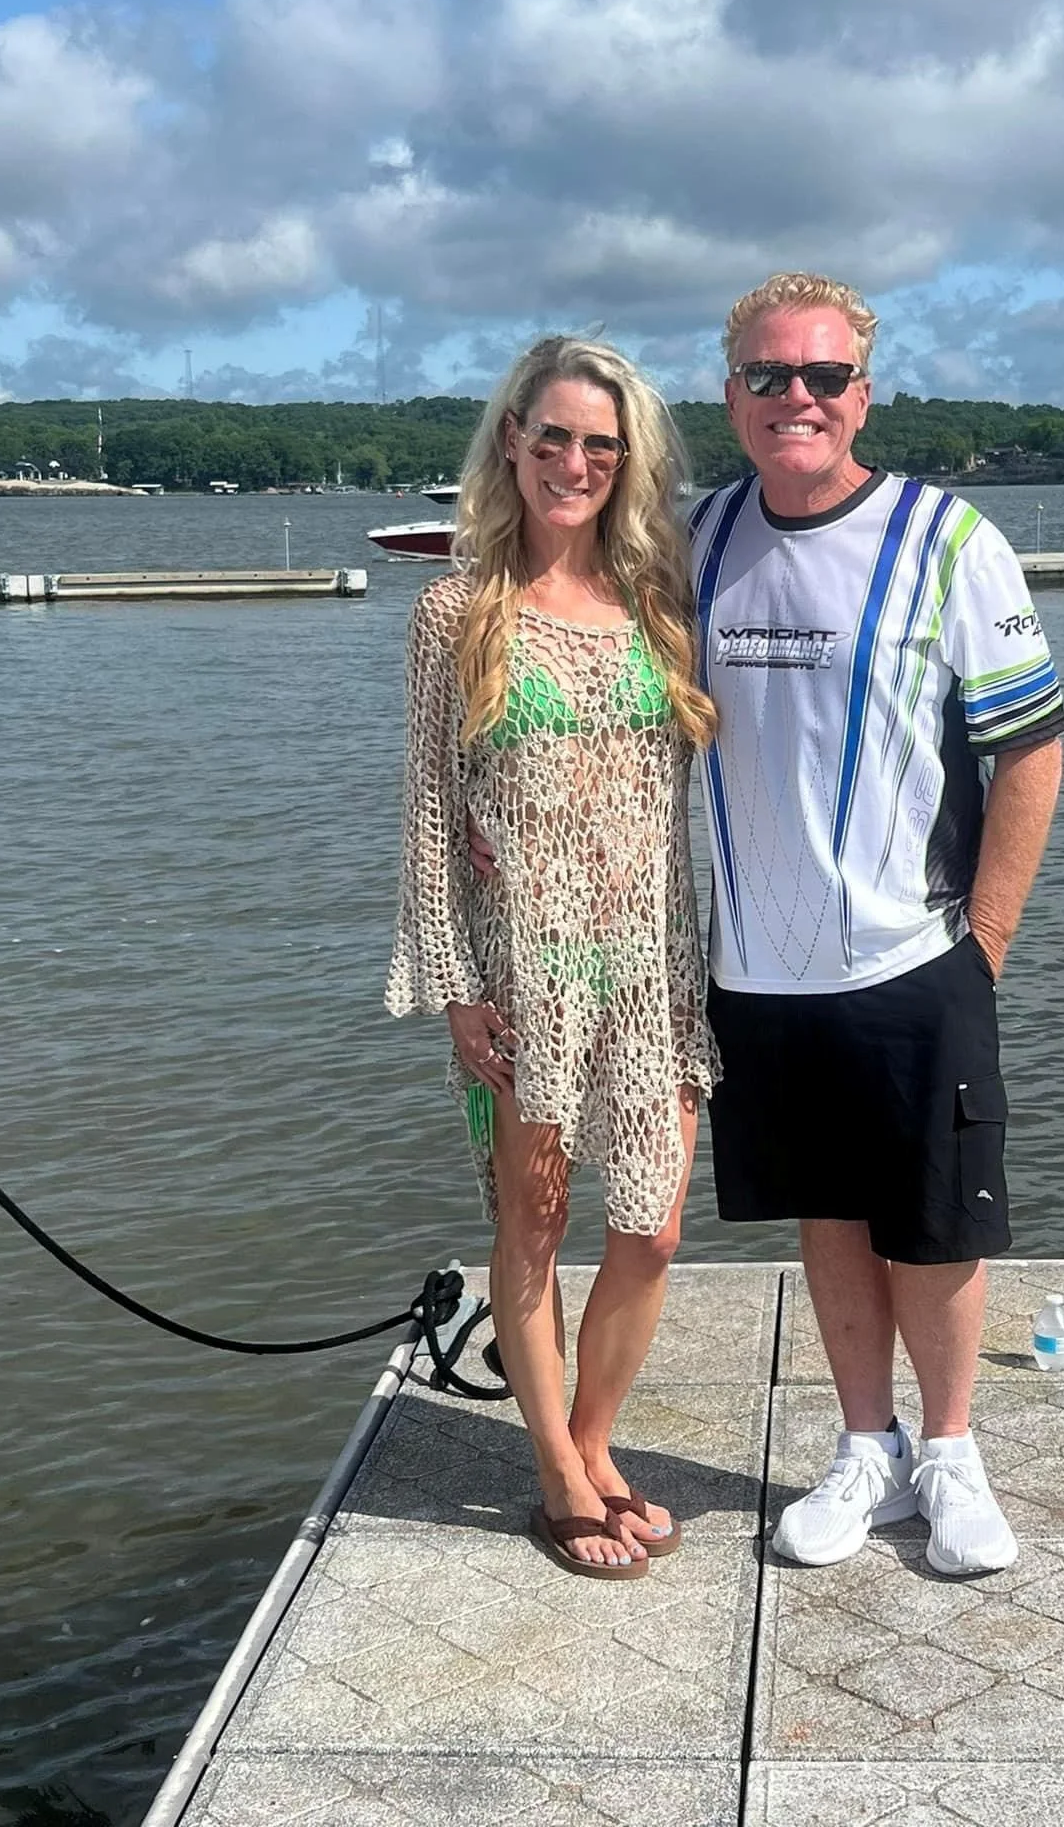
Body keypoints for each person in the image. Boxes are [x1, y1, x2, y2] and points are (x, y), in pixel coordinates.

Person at [689, 272, 1064, 1577]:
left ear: (865, 395)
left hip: (916, 955)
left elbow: (1032, 754)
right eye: (768, 376)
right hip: (756, 972)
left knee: (937, 1221)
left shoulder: (950, 541)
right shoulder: (697, 540)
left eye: (824, 377)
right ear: (728, 395)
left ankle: (952, 1455)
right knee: (829, 1216)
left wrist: (989, 946)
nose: (797, 398)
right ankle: (869, 1448)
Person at [384, 336, 719, 1580]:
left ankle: (589, 1439)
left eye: (601, 443)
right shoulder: (456, 613)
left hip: (652, 968)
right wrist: (455, 988)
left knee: (654, 1226)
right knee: (533, 1224)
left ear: (624, 462)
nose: (574, 461)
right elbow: (427, 809)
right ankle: (560, 1474)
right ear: (511, 441)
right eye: (554, 436)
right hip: (522, 969)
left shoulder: (657, 603)